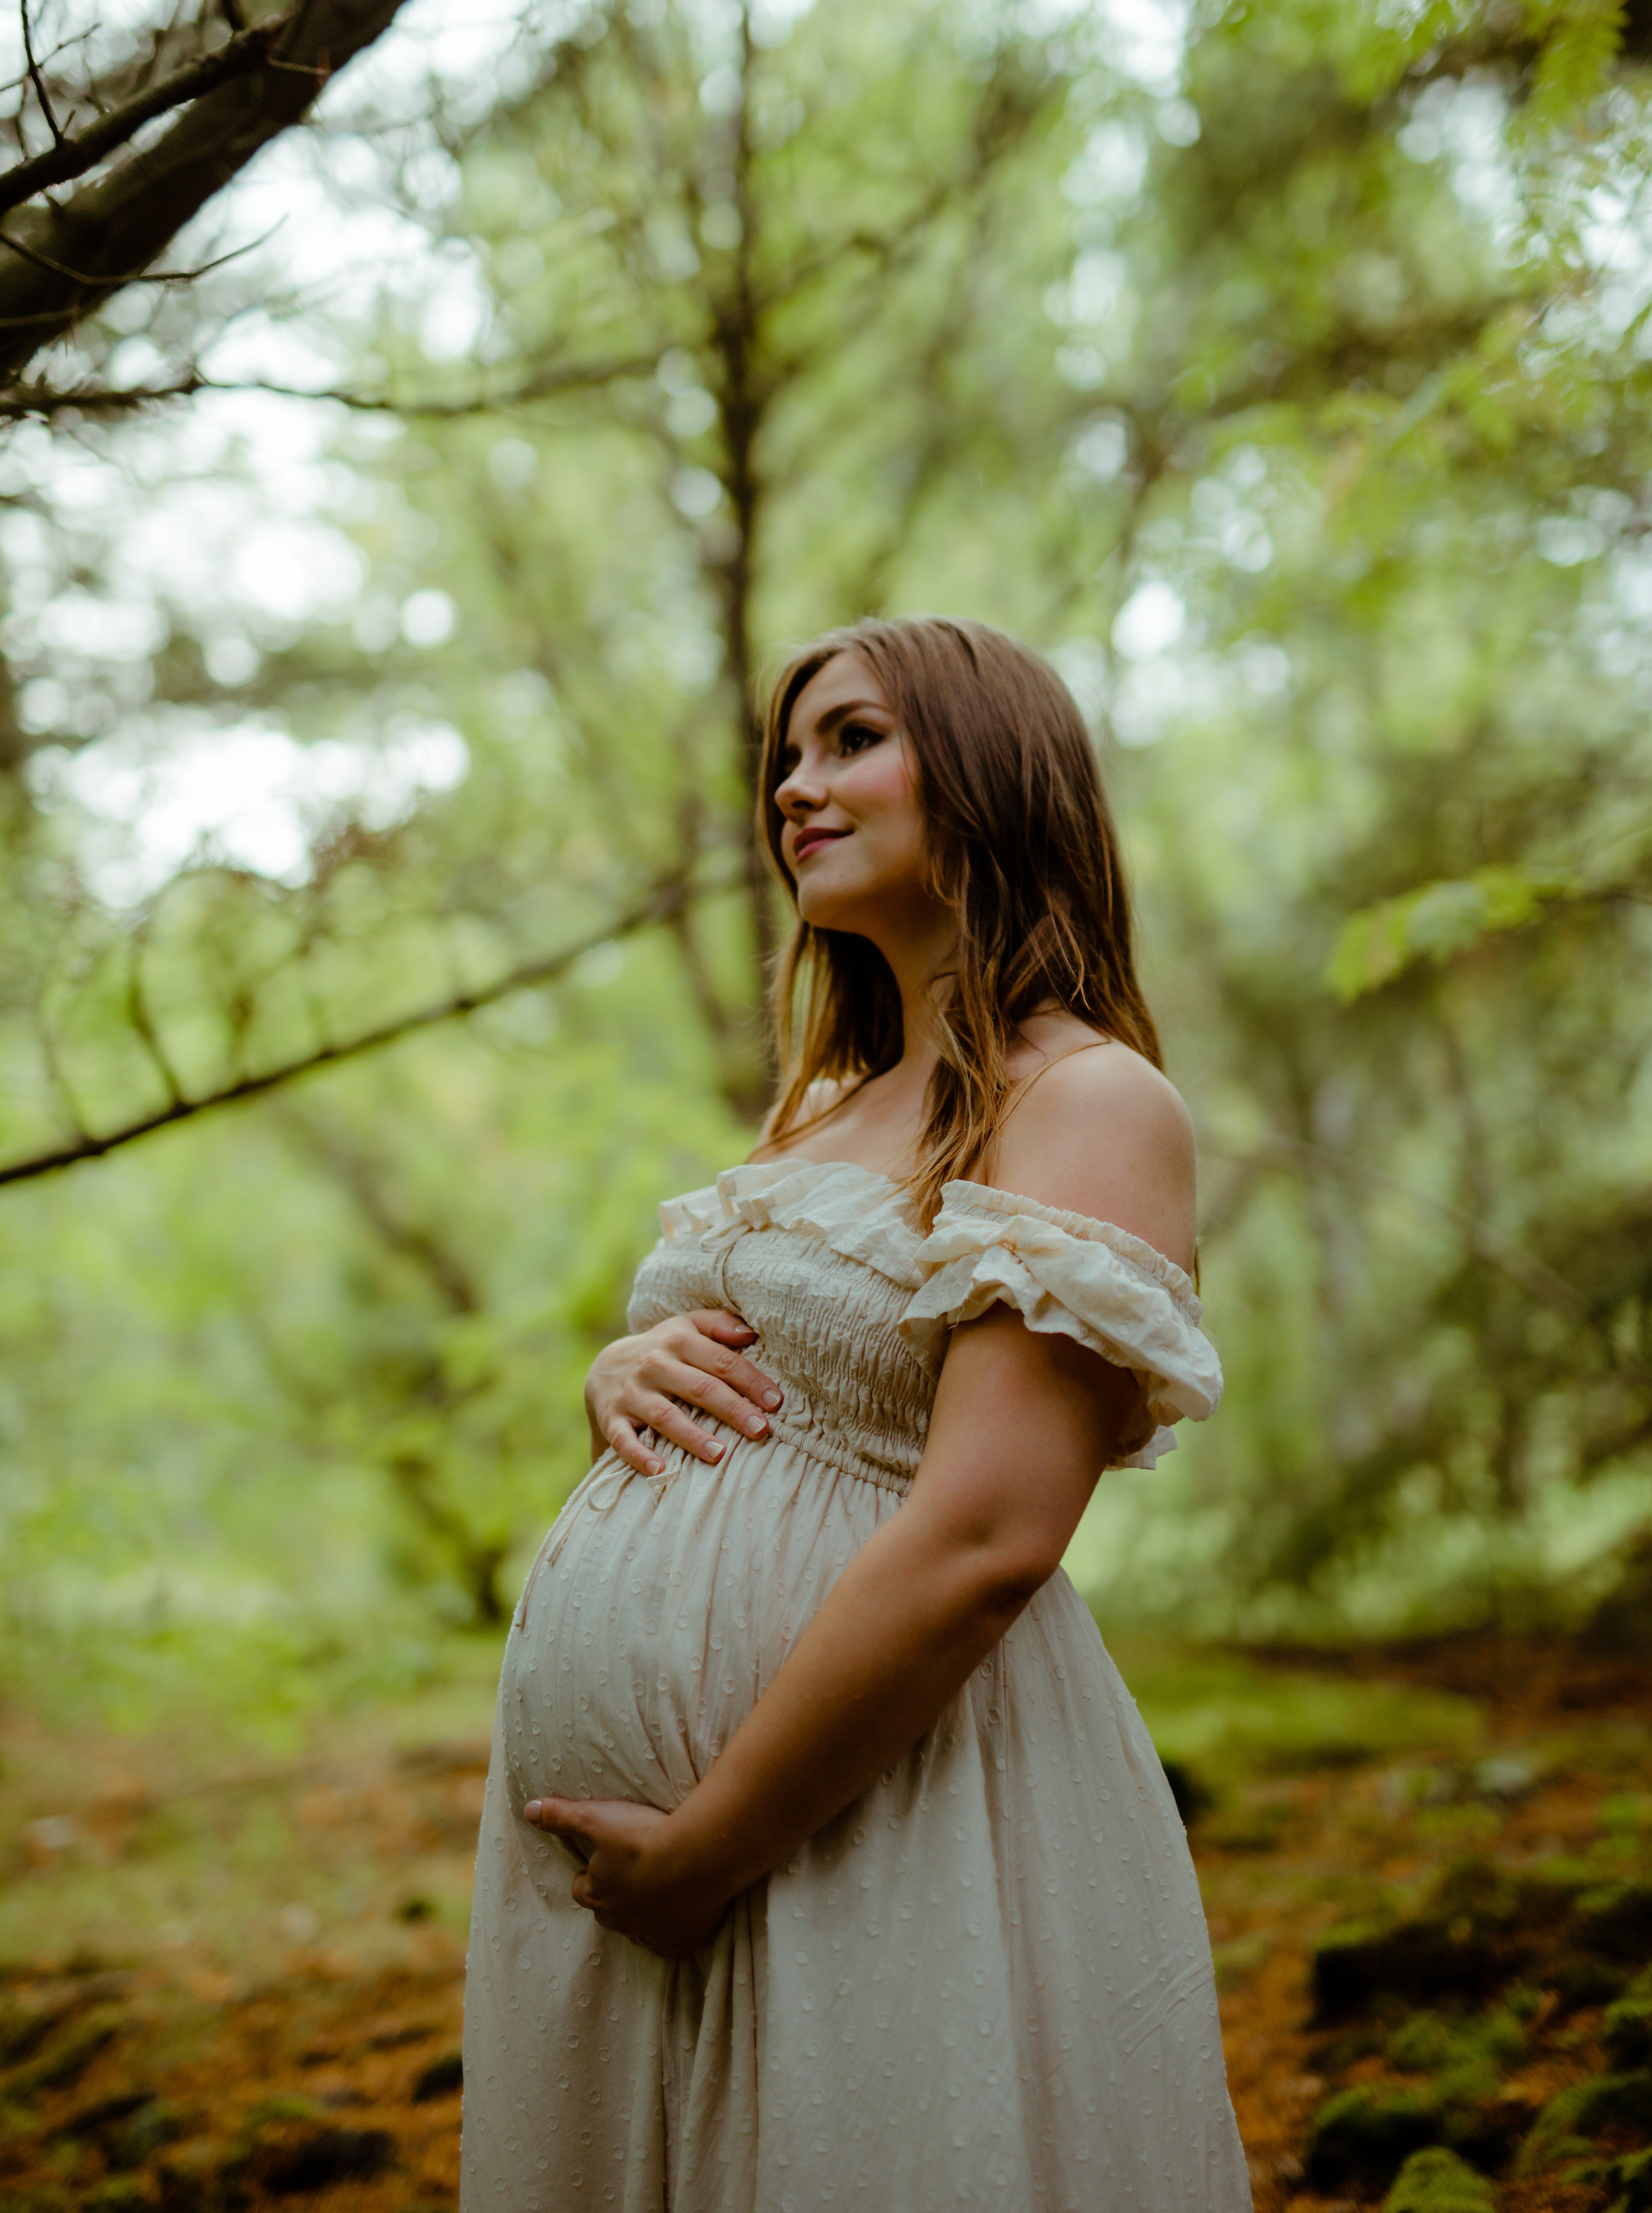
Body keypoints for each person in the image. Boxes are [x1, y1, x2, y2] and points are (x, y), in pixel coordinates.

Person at [461, 615, 1251, 2213]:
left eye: (851, 740)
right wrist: (618, 1372)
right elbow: (767, 1377)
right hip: (677, 1875)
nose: (793, 790)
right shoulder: (822, 1105)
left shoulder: (1084, 1100)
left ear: (987, 770)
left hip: (874, 1823)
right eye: (786, 759)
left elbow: (983, 1535)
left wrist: (711, 1845)